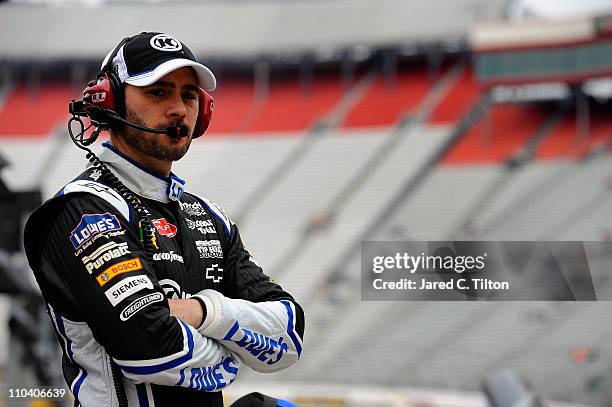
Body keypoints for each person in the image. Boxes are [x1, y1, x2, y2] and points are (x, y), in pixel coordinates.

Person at [23, 32, 304, 407]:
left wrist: (203, 312)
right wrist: (236, 350)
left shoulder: (208, 216)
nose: (178, 109)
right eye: (158, 92)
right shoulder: (80, 209)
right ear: (111, 101)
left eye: (189, 95)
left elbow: (289, 331)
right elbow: (150, 347)